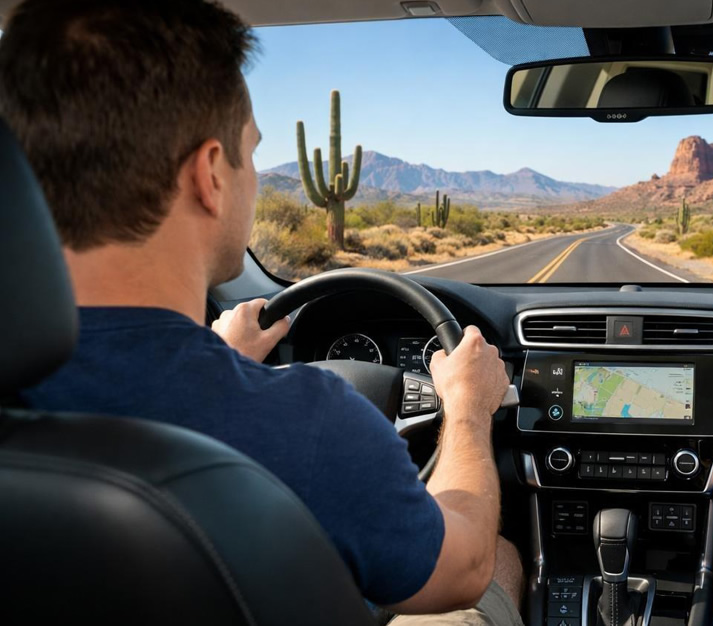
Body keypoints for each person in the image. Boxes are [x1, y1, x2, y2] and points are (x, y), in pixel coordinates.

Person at [0, 1, 524, 624]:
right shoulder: (308, 423)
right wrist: (468, 408)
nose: (255, 178)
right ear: (210, 176)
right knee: (502, 554)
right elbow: (461, 569)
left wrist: (216, 359)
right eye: (249, 153)